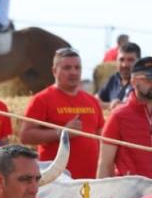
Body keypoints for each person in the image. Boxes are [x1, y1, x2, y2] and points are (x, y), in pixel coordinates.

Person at [21, 48, 106, 178]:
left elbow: (102, 136)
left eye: (77, 68)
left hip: (90, 179)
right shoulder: (42, 99)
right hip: (57, 181)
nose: (73, 72)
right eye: (67, 68)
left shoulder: (92, 101)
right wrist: (62, 132)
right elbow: (25, 136)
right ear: (54, 71)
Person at [97, 41, 141, 108]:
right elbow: (96, 100)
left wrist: (116, 106)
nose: (125, 65)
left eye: (130, 60)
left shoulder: (143, 83)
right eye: (121, 60)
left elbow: (133, 108)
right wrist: (110, 105)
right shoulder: (114, 79)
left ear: (139, 62)